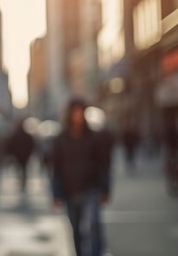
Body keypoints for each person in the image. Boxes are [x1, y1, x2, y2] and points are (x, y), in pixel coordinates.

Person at [51, 98, 110, 256]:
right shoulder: (61, 139)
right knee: (76, 229)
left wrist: (105, 189)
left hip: (91, 187)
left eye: (80, 112)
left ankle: (96, 252)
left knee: (93, 224)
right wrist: (56, 194)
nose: (77, 116)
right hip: (70, 190)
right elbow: (56, 168)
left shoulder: (94, 137)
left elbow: (103, 164)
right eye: (75, 112)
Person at [5, 117, 35, 192]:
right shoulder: (24, 135)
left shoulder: (16, 134)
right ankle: (22, 181)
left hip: (20, 155)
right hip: (23, 155)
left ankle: (22, 180)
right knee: (23, 168)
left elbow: (10, 144)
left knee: (21, 168)